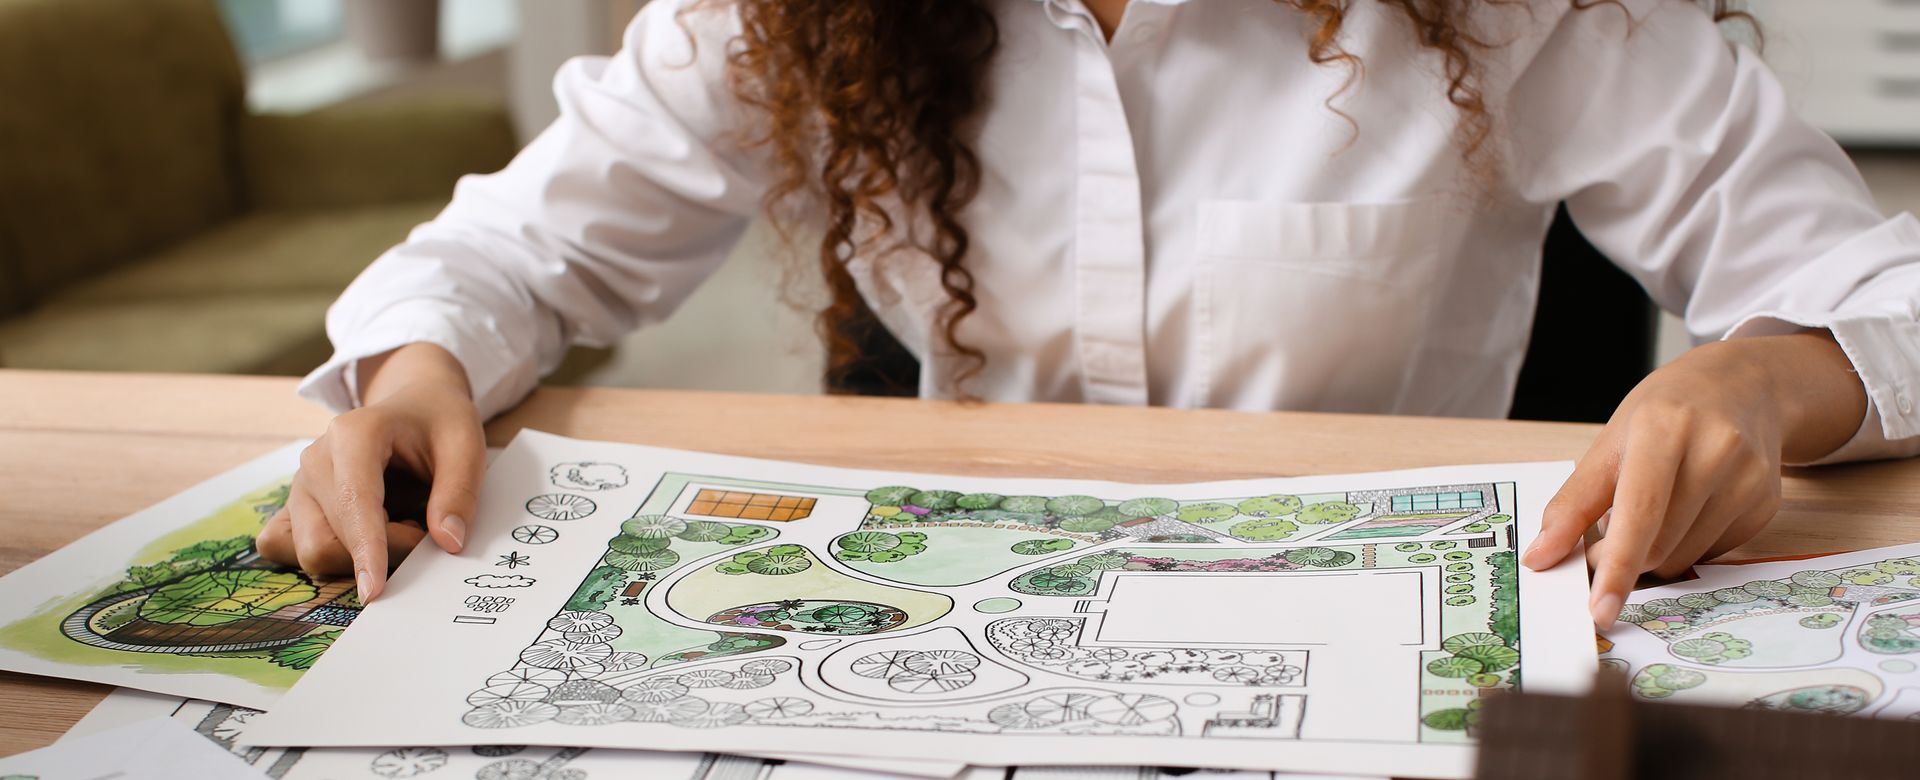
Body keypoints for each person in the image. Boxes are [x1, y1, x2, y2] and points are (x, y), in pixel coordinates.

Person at [259, 0, 1920, 627]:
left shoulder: (1511, 16)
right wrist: (414, 370)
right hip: (942, 632)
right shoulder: (791, 17)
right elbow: (510, 257)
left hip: (1358, 638)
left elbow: (1880, 290)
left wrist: (1766, 374)